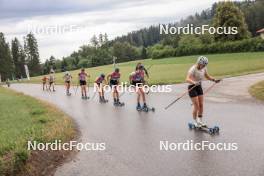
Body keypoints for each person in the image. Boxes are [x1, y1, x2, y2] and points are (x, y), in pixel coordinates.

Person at [186, 56, 221, 127]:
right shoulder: (193, 69)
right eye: (203, 64)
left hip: (199, 87)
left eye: (205, 65)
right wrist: (194, 82)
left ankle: (200, 121)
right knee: (196, 106)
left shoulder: (204, 68)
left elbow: (207, 76)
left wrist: (214, 80)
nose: (204, 66)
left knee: (201, 105)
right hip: (192, 87)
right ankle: (195, 122)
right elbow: (187, 79)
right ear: (199, 63)